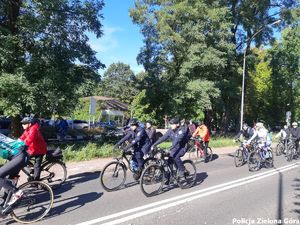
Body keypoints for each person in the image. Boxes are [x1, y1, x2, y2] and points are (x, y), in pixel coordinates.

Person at [0, 133, 28, 207]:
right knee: (7, 180)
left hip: (19, 156)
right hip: (16, 156)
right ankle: (6, 207)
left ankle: (17, 193)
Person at [20, 117, 47, 181]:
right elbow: (22, 138)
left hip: (40, 150)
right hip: (33, 149)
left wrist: (23, 145)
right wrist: (15, 144)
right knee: (22, 159)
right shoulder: (27, 130)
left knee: (37, 166)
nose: (22, 125)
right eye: (22, 123)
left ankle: (36, 182)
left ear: (29, 124)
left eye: (24, 123)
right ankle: (32, 172)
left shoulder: (34, 129)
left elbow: (29, 139)